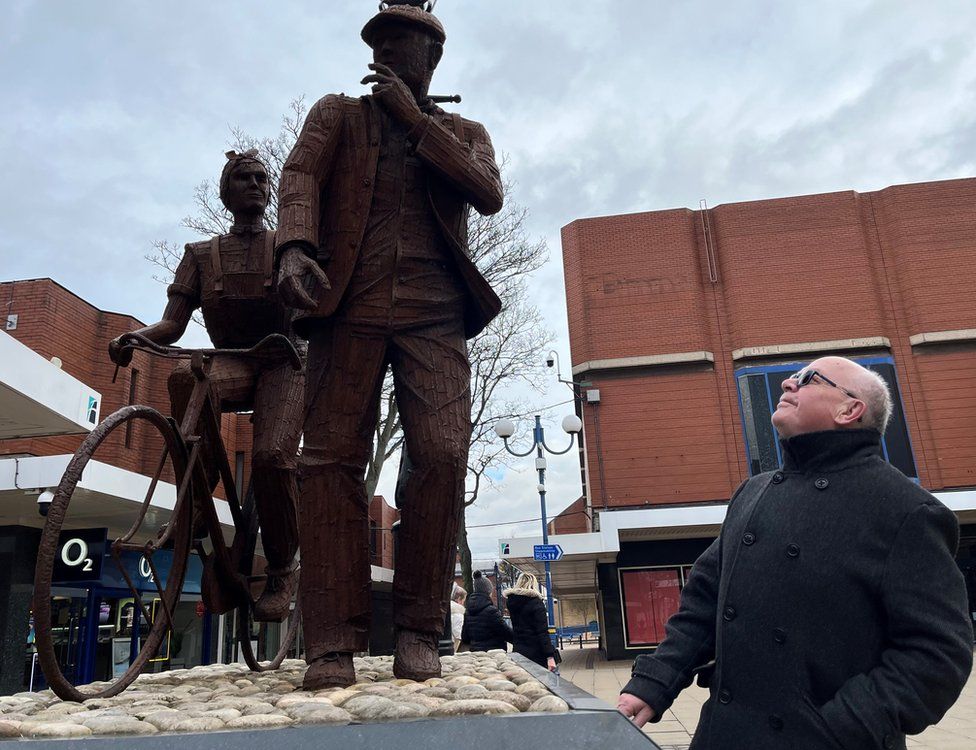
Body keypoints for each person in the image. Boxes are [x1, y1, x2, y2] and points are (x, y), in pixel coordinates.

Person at [274, 2, 503, 688]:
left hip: (435, 314)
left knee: (441, 452)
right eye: (382, 43)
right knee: (330, 461)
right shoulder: (336, 115)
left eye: (405, 45)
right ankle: (331, 642)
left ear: (432, 59)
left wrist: (413, 119)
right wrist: (292, 247)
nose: (390, 56)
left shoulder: (462, 130)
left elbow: (487, 191)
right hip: (348, 307)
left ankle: (418, 627)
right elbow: (300, 176)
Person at [617, 356, 974, 749]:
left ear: (849, 409)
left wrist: (842, 725)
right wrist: (653, 682)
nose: (788, 383)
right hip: (723, 736)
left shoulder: (906, 510)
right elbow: (703, 604)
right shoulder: (752, 493)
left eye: (808, 378)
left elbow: (938, 652)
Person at [109, 151, 303, 622]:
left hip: (283, 364)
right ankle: (197, 495)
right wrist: (136, 338)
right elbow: (173, 325)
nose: (255, 183)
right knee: (182, 375)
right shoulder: (201, 255)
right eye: (243, 177)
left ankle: (281, 569)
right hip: (230, 361)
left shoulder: (287, 247)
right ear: (226, 192)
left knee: (272, 456)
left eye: (262, 178)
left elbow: (315, 311)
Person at [505, 573, 558, 671]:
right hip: (537, 652)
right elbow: (542, 632)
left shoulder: (511, 602)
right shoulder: (536, 603)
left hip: (519, 650)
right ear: (534, 584)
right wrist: (550, 656)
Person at [460, 571, 513, 652]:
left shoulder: (468, 612)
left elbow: (465, 638)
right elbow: (506, 633)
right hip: (494, 654)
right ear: (488, 591)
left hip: (475, 654)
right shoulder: (492, 612)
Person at [450, 583, 467, 653]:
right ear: (459, 599)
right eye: (463, 600)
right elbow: (458, 631)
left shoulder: (448, 609)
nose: (463, 603)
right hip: (453, 644)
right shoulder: (458, 611)